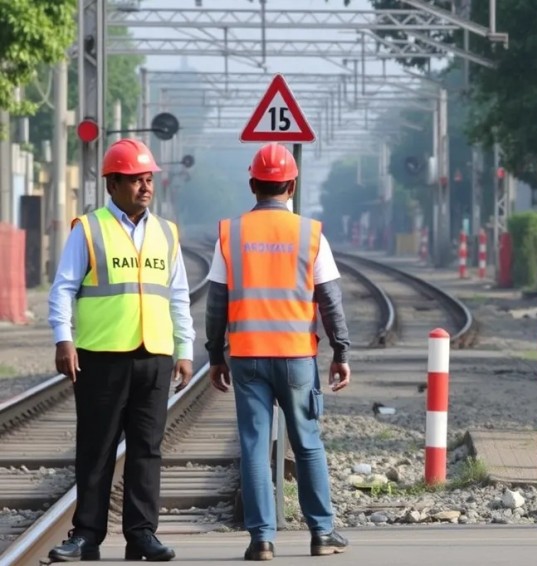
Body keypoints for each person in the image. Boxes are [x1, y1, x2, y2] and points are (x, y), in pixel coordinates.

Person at [47, 139, 195, 561]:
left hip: (154, 356)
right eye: (136, 180)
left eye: (149, 179)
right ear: (112, 184)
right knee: (97, 448)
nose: (146, 187)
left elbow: (178, 296)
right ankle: (87, 536)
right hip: (101, 357)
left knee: (147, 449)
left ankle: (142, 534)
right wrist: (63, 338)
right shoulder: (89, 229)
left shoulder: (167, 233)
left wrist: (184, 350)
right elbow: (63, 289)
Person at [205, 142, 351, 560]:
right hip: (295, 357)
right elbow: (330, 301)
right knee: (307, 443)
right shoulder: (310, 234)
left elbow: (216, 302)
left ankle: (261, 539)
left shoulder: (230, 233)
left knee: (253, 444)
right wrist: (341, 351)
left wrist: (215, 354)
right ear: (292, 185)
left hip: (248, 355)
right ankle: (322, 534)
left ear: (253, 184)